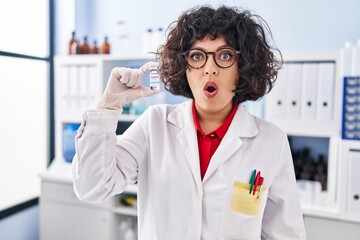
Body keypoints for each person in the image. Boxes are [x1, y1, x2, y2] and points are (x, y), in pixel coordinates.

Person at [72, 5, 307, 240]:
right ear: (184, 68)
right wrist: (107, 109)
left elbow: (285, 235)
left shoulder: (271, 141)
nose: (209, 69)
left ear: (243, 68)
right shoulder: (154, 125)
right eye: (197, 56)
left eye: (225, 56)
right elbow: (91, 187)